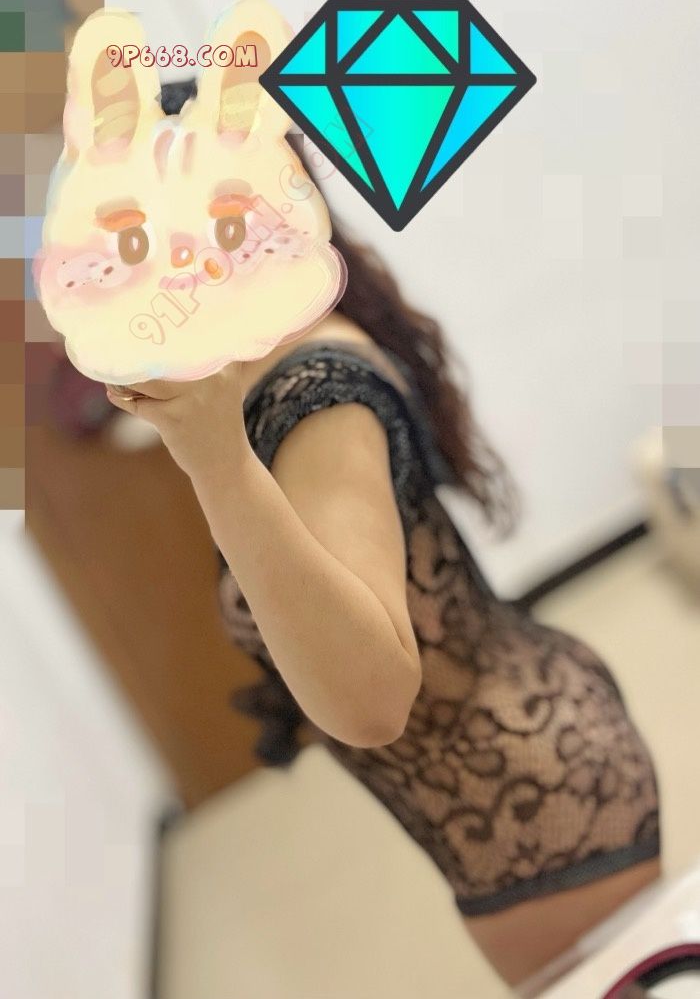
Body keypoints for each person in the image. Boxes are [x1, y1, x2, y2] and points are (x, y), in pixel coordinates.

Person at [106, 81, 661, 991]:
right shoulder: (268, 350)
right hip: (522, 761)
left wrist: (215, 461)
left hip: (530, 804)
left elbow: (370, 706)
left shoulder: (314, 395)